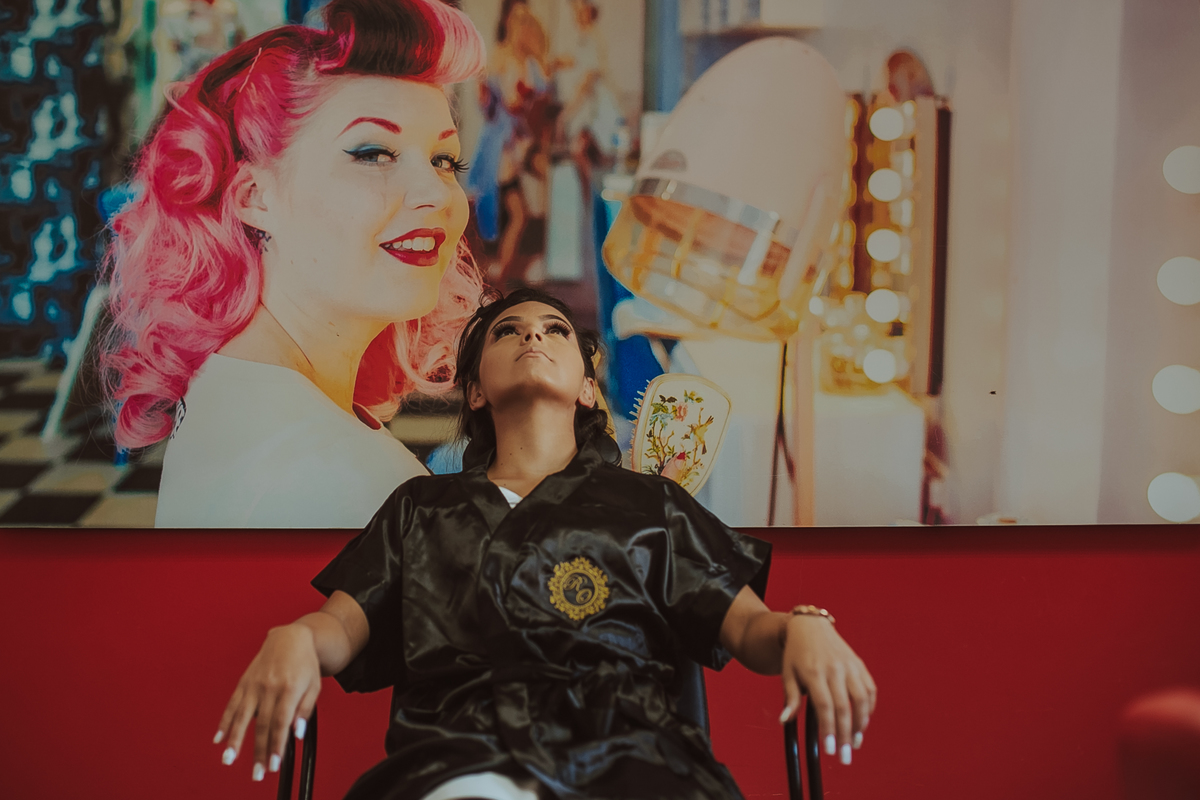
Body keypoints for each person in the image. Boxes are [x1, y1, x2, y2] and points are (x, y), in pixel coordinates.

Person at [213, 288, 877, 799]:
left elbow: (752, 629)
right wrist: (298, 637)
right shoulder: (420, 510)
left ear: (588, 388)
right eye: (507, 330)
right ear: (475, 390)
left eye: (556, 330)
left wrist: (805, 627)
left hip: (633, 760)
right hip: (459, 758)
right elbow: (340, 627)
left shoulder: (653, 505)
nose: (533, 333)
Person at [102, 0, 487, 527]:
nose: (436, 194)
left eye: (444, 160)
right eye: (374, 153)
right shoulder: (352, 483)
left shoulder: (232, 377)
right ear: (254, 196)